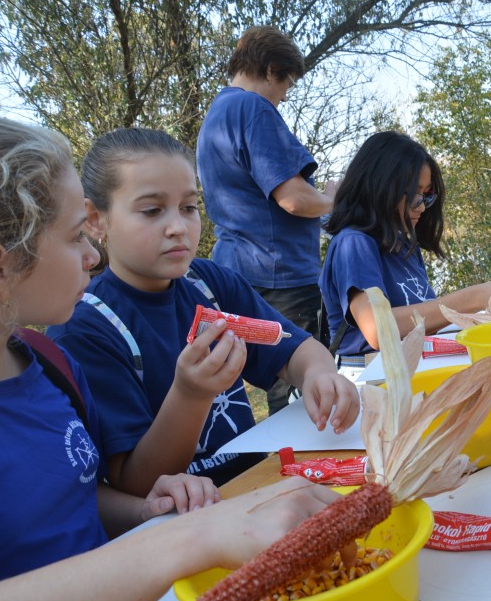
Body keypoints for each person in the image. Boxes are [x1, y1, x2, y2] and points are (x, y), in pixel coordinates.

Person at [0, 112, 345, 601]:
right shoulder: (83, 335)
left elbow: (72, 497)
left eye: (190, 207)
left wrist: (147, 511)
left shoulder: (43, 365)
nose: (91, 255)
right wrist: (186, 537)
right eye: (76, 235)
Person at [49, 128, 359, 496]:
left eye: (189, 207)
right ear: (96, 219)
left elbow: (294, 348)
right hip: (187, 522)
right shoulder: (86, 327)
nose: (178, 228)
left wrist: (319, 375)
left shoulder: (210, 284)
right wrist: (191, 394)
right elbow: (136, 482)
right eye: (151, 210)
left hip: (259, 484)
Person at [196, 25, 336, 414]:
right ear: (272, 69)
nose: (284, 96)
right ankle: (310, 470)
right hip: (281, 276)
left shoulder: (216, 114)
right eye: (287, 83)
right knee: (296, 391)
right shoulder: (253, 108)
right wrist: (331, 199)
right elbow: (293, 199)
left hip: (238, 271)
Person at [320, 131, 491, 377]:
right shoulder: (354, 244)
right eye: (414, 196)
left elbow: (423, 322)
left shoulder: (404, 244)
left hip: (413, 368)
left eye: (426, 195)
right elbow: (378, 330)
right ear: (379, 188)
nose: (422, 207)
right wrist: (477, 297)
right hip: (370, 379)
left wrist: (486, 310)